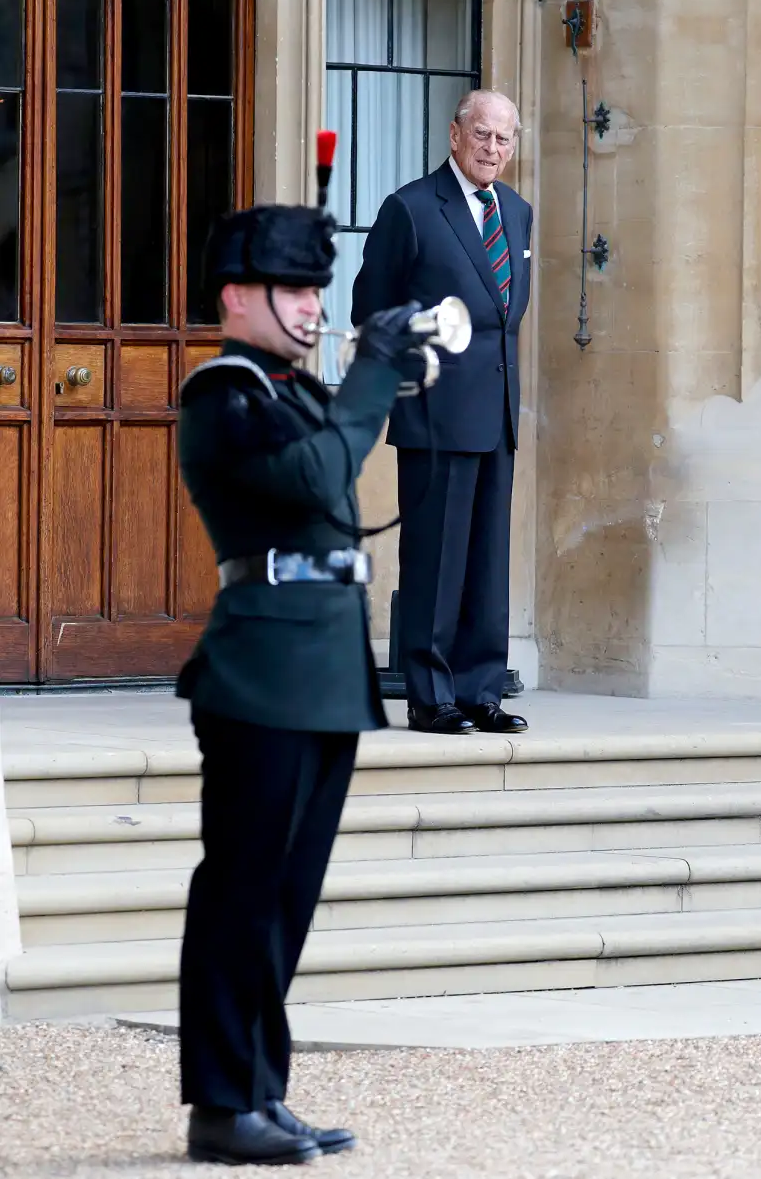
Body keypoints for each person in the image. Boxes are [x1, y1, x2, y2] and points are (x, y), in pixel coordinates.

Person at [175, 202, 421, 1166]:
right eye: (294, 289)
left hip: (322, 669)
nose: (314, 307)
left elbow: (342, 458)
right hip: (262, 671)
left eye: (319, 290)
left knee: (288, 898)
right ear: (239, 296)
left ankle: (262, 1092)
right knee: (240, 891)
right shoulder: (222, 393)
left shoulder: (294, 388)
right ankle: (220, 1102)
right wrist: (373, 373)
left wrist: (402, 376)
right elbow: (323, 475)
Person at [351, 89, 532, 736]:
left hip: (498, 410)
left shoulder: (517, 211)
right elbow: (370, 310)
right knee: (437, 560)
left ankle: (481, 689)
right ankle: (431, 697)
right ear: (455, 135)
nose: (492, 149)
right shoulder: (412, 208)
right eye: (481, 135)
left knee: (487, 562)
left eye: (504, 139)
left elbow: (507, 314)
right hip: (435, 412)